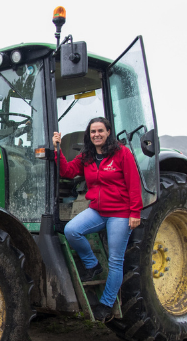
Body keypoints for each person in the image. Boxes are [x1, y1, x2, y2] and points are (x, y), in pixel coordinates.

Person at [51, 117, 141, 322]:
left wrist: (135, 212)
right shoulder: (87, 156)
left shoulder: (121, 153)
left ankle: (106, 304)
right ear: (89, 135)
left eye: (100, 131)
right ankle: (92, 265)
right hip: (98, 211)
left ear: (108, 132)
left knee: (116, 261)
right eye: (93, 132)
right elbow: (67, 171)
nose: (97, 135)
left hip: (120, 213)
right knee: (72, 230)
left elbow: (133, 182)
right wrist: (57, 149)